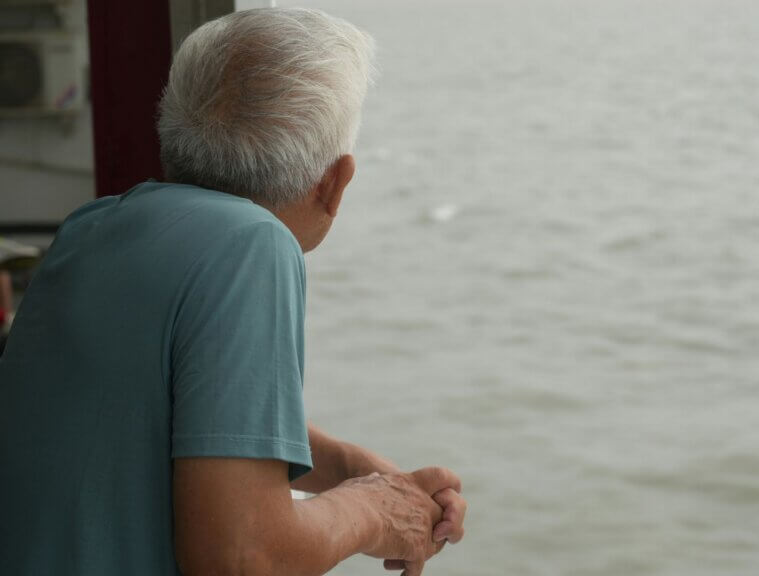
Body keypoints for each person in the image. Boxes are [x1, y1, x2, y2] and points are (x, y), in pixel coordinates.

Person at [0, 8, 466, 576]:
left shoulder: (92, 228)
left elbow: (175, 411)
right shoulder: (253, 244)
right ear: (335, 182)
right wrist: (374, 509)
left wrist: (352, 467)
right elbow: (243, 557)